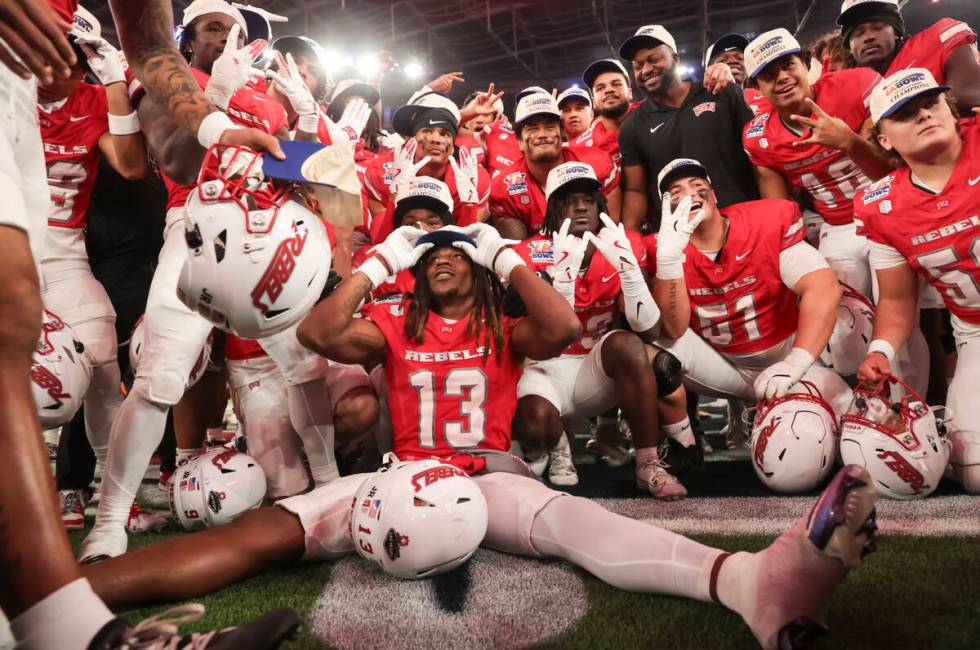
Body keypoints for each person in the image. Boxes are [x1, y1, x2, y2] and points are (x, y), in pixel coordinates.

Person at [76, 223, 881, 650]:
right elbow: (322, 332)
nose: (441, 262)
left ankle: (749, 583)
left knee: (571, 525)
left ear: (480, 267)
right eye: (430, 258)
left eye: (455, 254)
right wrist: (383, 257)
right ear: (414, 272)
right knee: (268, 531)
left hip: (489, 474)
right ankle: (70, 599)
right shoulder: (391, 319)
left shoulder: (503, 317)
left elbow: (565, 325)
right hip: (398, 474)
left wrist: (499, 247)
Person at [2, 0, 296, 646]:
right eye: (212, 26)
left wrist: (221, 127)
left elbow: (146, 38)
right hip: (191, 226)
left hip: (263, 232)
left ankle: (71, 630)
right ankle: (104, 529)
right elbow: (161, 150)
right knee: (142, 364)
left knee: (10, 311)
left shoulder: (271, 87)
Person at [648, 158, 854, 492]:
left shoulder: (764, 222)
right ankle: (684, 446)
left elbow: (822, 286)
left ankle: (865, 389)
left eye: (698, 185)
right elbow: (672, 330)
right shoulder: (664, 248)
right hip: (725, 366)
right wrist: (670, 261)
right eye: (676, 191)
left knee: (853, 318)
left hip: (787, 355)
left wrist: (797, 362)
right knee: (651, 351)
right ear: (665, 208)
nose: (690, 193)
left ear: (714, 195)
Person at [512, 162, 695, 497]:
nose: (582, 206)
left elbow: (652, 331)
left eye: (589, 200)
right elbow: (517, 336)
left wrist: (631, 275)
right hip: (543, 371)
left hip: (595, 374)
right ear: (553, 208)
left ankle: (648, 462)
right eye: (570, 200)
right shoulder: (526, 254)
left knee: (629, 345)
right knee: (533, 429)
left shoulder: (620, 246)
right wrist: (559, 292)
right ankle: (555, 441)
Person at [38, 4, 148, 522]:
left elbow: (130, 165)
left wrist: (114, 85)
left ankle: (107, 492)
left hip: (62, 254)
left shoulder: (91, 100)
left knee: (102, 347)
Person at [854, 68, 980, 493]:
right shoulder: (881, 205)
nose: (924, 114)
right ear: (885, 138)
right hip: (975, 330)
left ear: (951, 107)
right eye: (906, 113)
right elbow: (895, 297)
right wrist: (881, 351)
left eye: (931, 103)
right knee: (975, 472)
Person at [741, 27, 888, 297]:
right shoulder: (758, 137)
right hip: (837, 227)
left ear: (806, 64)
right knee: (843, 325)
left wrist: (849, 142)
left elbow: (893, 171)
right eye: (769, 75)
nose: (782, 78)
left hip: (888, 211)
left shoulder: (856, 85)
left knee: (900, 315)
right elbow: (781, 211)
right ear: (757, 88)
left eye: (788, 65)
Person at [617, 24, 758, 231]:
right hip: (683, 235)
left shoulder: (720, 91)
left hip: (744, 219)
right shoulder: (632, 126)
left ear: (675, 58)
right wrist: (629, 236)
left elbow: (758, 158)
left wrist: (773, 208)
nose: (645, 70)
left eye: (653, 59)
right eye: (638, 66)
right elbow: (635, 190)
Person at [365, 90, 492, 243]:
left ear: (453, 146)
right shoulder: (382, 171)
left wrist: (469, 205)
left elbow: (465, 251)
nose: (435, 140)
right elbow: (380, 246)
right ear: (412, 138)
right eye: (427, 131)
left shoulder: (473, 180)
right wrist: (394, 197)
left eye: (444, 133)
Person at [489, 92, 620, 239]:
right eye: (532, 129)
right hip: (538, 259)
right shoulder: (504, 186)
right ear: (519, 141)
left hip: (595, 252)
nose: (542, 134)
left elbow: (612, 231)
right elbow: (515, 252)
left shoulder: (596, 162)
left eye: (550, 127)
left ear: (561, 133)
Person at [838, 0, 980, 112]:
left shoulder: (934, 41)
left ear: (896, 32)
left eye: (878, 28)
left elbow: (969, 96)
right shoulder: (851, 90)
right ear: (849, 48)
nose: (868, 37)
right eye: (858, 33)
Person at [575, 57, 641, 168]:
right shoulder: (583, 147)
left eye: (616, 84)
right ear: (593, 102)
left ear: (630, 92)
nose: (608, 90)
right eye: (600, 88)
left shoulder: (653, 112)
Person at [704, 32, 769, 115]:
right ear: (709, 69)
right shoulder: (698, 103)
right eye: (722, 61)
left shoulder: (765, 95)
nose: (733, 61)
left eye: (740, 58)